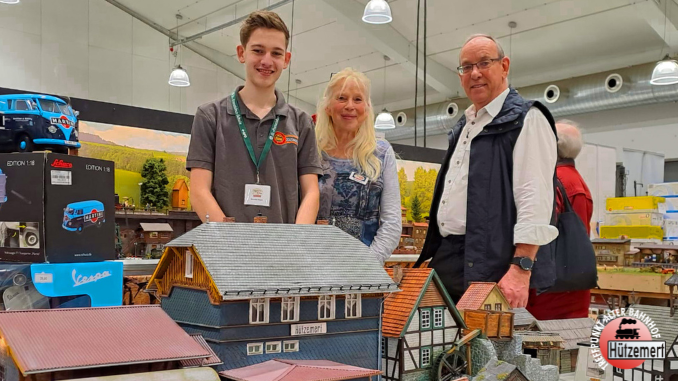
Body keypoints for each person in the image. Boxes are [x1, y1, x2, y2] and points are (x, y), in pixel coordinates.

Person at [414, 34, 559, 308]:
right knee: (437, 344)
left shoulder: (527, 119)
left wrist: (521, 267)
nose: (475, 73)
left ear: (504, 66)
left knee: (486, 348)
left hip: (495, 263)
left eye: (484, 63)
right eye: (466, 67)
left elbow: (535, 197)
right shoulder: (465, 125)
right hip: (452, 257)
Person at [186, 11, 322, 224]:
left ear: (286, 59)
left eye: (276, 53)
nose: (267, 61)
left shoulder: (302, 122)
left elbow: (311, 193)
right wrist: (233, 242)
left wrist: (296, 239)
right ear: (242, 53)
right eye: (258, 51)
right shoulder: (210, 116)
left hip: (283, 250)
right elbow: (198, 191)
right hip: (227, 250)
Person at [315, 68, 401, 264]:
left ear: (367, 107)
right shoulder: (312, 152)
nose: (350, 106)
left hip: (364, 274)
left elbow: (392, 223)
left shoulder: (381, 153)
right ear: (328, 106)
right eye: (342, 98)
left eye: (357, 99)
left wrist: (366, 264)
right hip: (314, 271)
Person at [527, 119, 593, 319]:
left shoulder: (554, 182)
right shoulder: (577, 181)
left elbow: (539, 236)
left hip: (548, 294)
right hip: (572, 288)